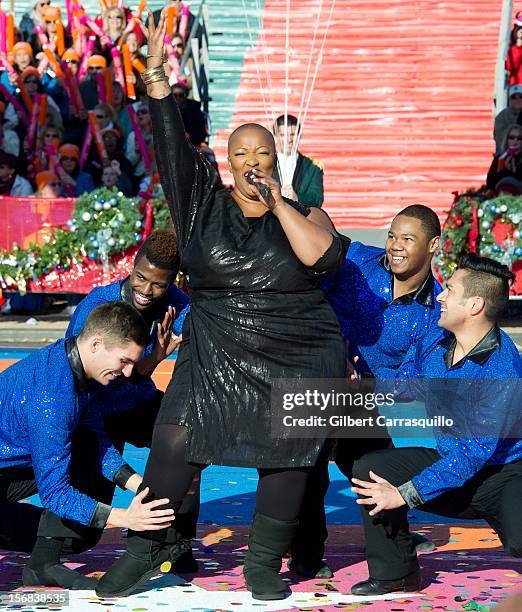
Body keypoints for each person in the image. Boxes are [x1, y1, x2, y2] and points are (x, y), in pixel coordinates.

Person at [96, 9, 347, 601]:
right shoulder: (200, 205)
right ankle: (149, 547)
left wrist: (280, 202)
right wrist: (157, 80)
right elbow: (171, 150)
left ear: (273, 161)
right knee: (176, 439)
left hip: (298, 345)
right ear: (228, 164)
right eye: (242, 156)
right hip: (216, 344)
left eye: (262, 154)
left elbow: (323, 259)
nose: (253, 162)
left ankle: (263, 562)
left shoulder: (306, 213)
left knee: (287, 453)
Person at [350, 254, 522, 596]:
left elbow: (473, 456)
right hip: (454, 464)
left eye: (451, 290)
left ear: (475, 305)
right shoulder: (435, 342)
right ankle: (396, 573)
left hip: (504, 475)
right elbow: (404, 384)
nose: (440, 295)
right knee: (371, 468)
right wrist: (360, 379)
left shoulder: (503, 369)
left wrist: (404, 494)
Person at [291, 205, 442, 578]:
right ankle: (306, 552)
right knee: (310, 465)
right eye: (392, 236)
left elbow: (410, 381)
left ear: (433, 245)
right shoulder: (357, 258)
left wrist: (364, 384)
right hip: (316, 374)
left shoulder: (435, 311)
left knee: (376, 464)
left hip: (364, 396)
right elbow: (318, 246)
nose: (395, 246)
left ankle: (395, 536)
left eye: (408, 239)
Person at [0, 302, 176, 589]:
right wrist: (124, 518)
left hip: (9, 468)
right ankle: (43, 563)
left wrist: (136, 483)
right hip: (6, 473)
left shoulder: (73, 364)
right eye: (124, 361)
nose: (130, 373)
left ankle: (42, 562)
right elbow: (55, 493)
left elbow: (93, 437)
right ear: (96, 344)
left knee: (85, 450)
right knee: (79, 531)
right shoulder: (53, 397)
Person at [273, 114, 324, 207]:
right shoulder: (266, 164)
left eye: (292, 134)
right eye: (283, 135)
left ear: (299, 136)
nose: (289, 139)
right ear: (275, 137)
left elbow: (317, 199)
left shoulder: (312, 167)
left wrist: (297, 198)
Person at [486, 123, 522, 193]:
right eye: (512, 138)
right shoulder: (500, 159)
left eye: (519, 138)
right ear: (507, 140)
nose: (515, 141)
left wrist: (516, 171)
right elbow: (490, 184)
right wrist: (503, 169)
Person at [493, 85, 522, 154]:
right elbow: (500, 138)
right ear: (509, 99)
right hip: (507, 151)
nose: (518, 100)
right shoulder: (501, 116)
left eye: (521, 97)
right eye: (514, 97)